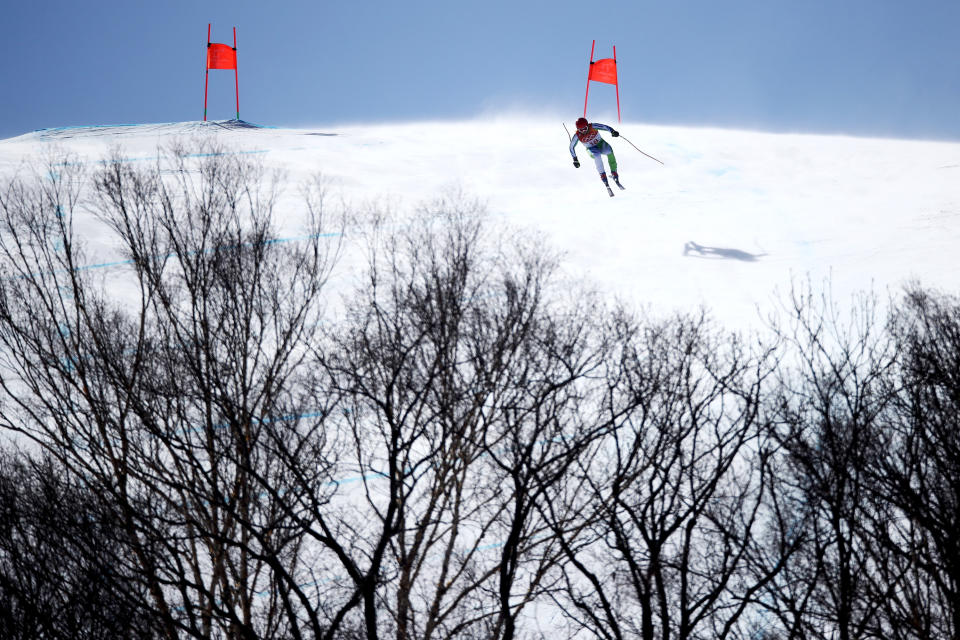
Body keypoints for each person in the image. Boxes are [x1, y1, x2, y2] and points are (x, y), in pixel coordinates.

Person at [569, 117, 623, 193]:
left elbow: (604, 127)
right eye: (581, 130)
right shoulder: (577, 136)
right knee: (596, 155)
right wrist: (575, 159)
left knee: (609, 151)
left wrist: (612, 131)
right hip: (591, 149)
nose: (583, 131)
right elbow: (571, 147)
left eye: (585, 128)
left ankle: (614, 172)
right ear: (578, 129)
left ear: (588, 125)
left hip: (601, 144)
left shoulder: (593, 126)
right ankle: (603, 175)